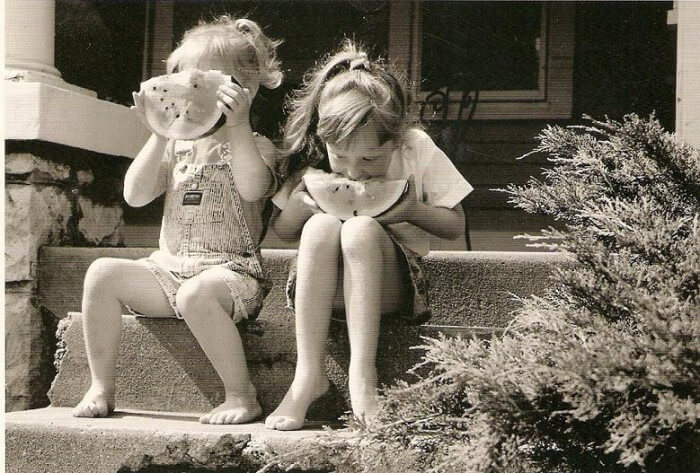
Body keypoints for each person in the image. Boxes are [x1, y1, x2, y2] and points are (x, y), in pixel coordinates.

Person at [72, 15, 284, 425]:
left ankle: (241, 394)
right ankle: (101, 386)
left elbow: (254, 188)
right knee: (101, 273)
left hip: (231, 277)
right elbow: (134, 196)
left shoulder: (256, 145)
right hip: (167, 272)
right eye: (176, 79)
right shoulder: (176, 148)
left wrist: (238, 126)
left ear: (246, 90)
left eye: (198, 82)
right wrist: (158, 131)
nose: (185, 90)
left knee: (195, 297)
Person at [264, 41, 473, 431]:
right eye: (340, 158)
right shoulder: (312, 159)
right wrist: (299, 206)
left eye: (371, 160)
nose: (355, 173)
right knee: (323, 225)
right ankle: (308, 375)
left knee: (359, 229)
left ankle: (363, 375)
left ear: (395, 139)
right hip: (321, 288)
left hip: (393, 287)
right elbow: (283, 232)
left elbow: (455, 225)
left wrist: (410, 208)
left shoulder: (415, 147)